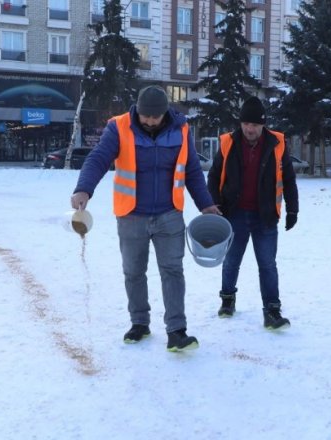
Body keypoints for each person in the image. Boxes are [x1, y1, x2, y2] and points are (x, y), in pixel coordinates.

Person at [70, 85, 221, 352]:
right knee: (133, 272)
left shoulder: (181, 129)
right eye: (145, 116)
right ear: (137, 110)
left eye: (155, 117)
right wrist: (84, 188)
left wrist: (206, 204)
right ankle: (139, 323)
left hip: (169, 214)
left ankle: (177, 330)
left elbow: (192, 170)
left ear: (165, 113)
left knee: (172, 271)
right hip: (131, 215)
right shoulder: (119, 127)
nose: (150, 121)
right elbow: (98, 159)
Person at [206, 96, 299, 330]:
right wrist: (213, 204)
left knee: (267, 264)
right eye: (246, 123)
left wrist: (293, 209)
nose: (250, 129)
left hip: (265, 215)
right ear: (241, 123)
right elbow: (214, 176)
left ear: (263, 125)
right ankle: (227, 300)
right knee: (231, 261)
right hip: (233, 214)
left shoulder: (277, 144)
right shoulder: (228, 143)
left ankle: (272, 311)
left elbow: (289, 179)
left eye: (255, 125)